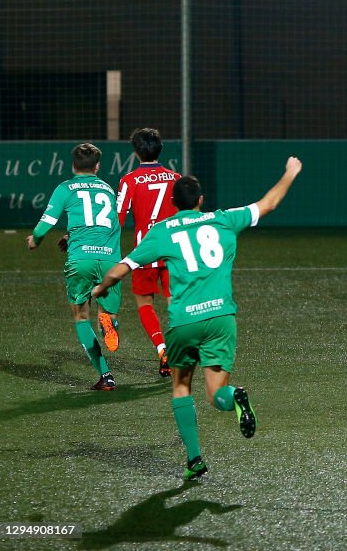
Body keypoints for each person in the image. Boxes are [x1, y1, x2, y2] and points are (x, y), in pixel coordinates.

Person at [92, 157, 303, 480]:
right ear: (201, 200)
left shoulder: (163, 231)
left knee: (181, 387)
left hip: (184, 322)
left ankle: (194, 460)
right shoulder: (223, 220)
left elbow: (123, 268)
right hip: (221, 318)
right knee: (216, 392)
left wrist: (100, 288)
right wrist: (289, 172)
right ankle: (234, 398)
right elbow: (269, 203)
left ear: (174, 203)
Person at [27, 143, 122, 391]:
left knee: (81, 316)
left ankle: (106, 376)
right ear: (98, 166)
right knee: (108, 314)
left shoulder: (66, 188)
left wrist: (35, 240)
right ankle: (109, 322)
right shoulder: (108, 189)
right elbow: (110, 223)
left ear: (73, 165)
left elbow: (45, 223)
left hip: (81, 260)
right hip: (111, 261)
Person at [116, 128, 182, 377]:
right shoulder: (176, 178)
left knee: (145, 302)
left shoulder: (129, 180)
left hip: (144, 252)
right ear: (160, 149)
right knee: (175, 302)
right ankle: (178, 350)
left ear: (136, 152)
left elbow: (118, 220)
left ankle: (162, 349)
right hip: (173, 251)